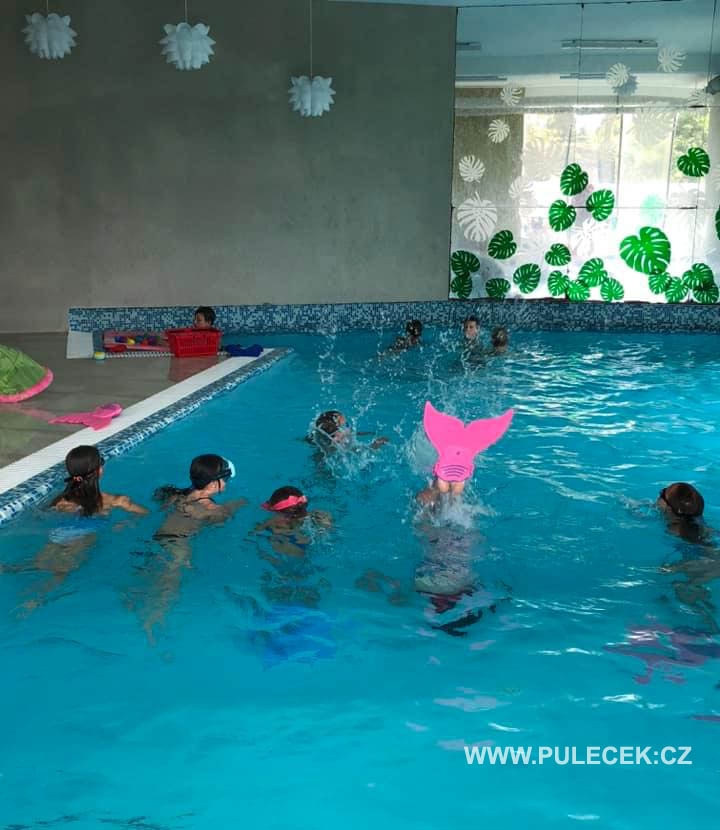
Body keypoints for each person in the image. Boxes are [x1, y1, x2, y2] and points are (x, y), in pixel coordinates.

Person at [0, 445, 147, 614]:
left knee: (37, 564)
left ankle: (7, 569)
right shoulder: (114, 500)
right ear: (99, 471)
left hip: (58, 535)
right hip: (82, 538)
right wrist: (126, 523)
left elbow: (40, 515)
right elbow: (143, 513)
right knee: (60, 574)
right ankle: (31, 603)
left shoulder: (60, 500)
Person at [129, 454, 245, 643]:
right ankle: (152, 623)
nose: (226, 483)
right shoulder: (211, 509)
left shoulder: (175, 494)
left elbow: (159, 496)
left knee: (149, 575)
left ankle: (132, 601)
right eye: (225, 480)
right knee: (168, 587)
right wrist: (237, 505)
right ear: (213, 485)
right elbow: (221, 521)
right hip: (178, 547)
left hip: (156, 539)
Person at [657, 483, 720, 632]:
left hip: (710, 564)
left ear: (668, 508)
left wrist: (676, 567)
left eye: (662, 493)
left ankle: (711, 629)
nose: (658, 496)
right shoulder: (702, 526)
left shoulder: (674, 530)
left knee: (681, 590)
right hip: (712, 560)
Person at [309, 410, 389, 453]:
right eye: (345, 422)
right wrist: (376, 444)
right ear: (336, 417)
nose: (346, 424)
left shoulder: (318, 433)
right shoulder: (338, 434)